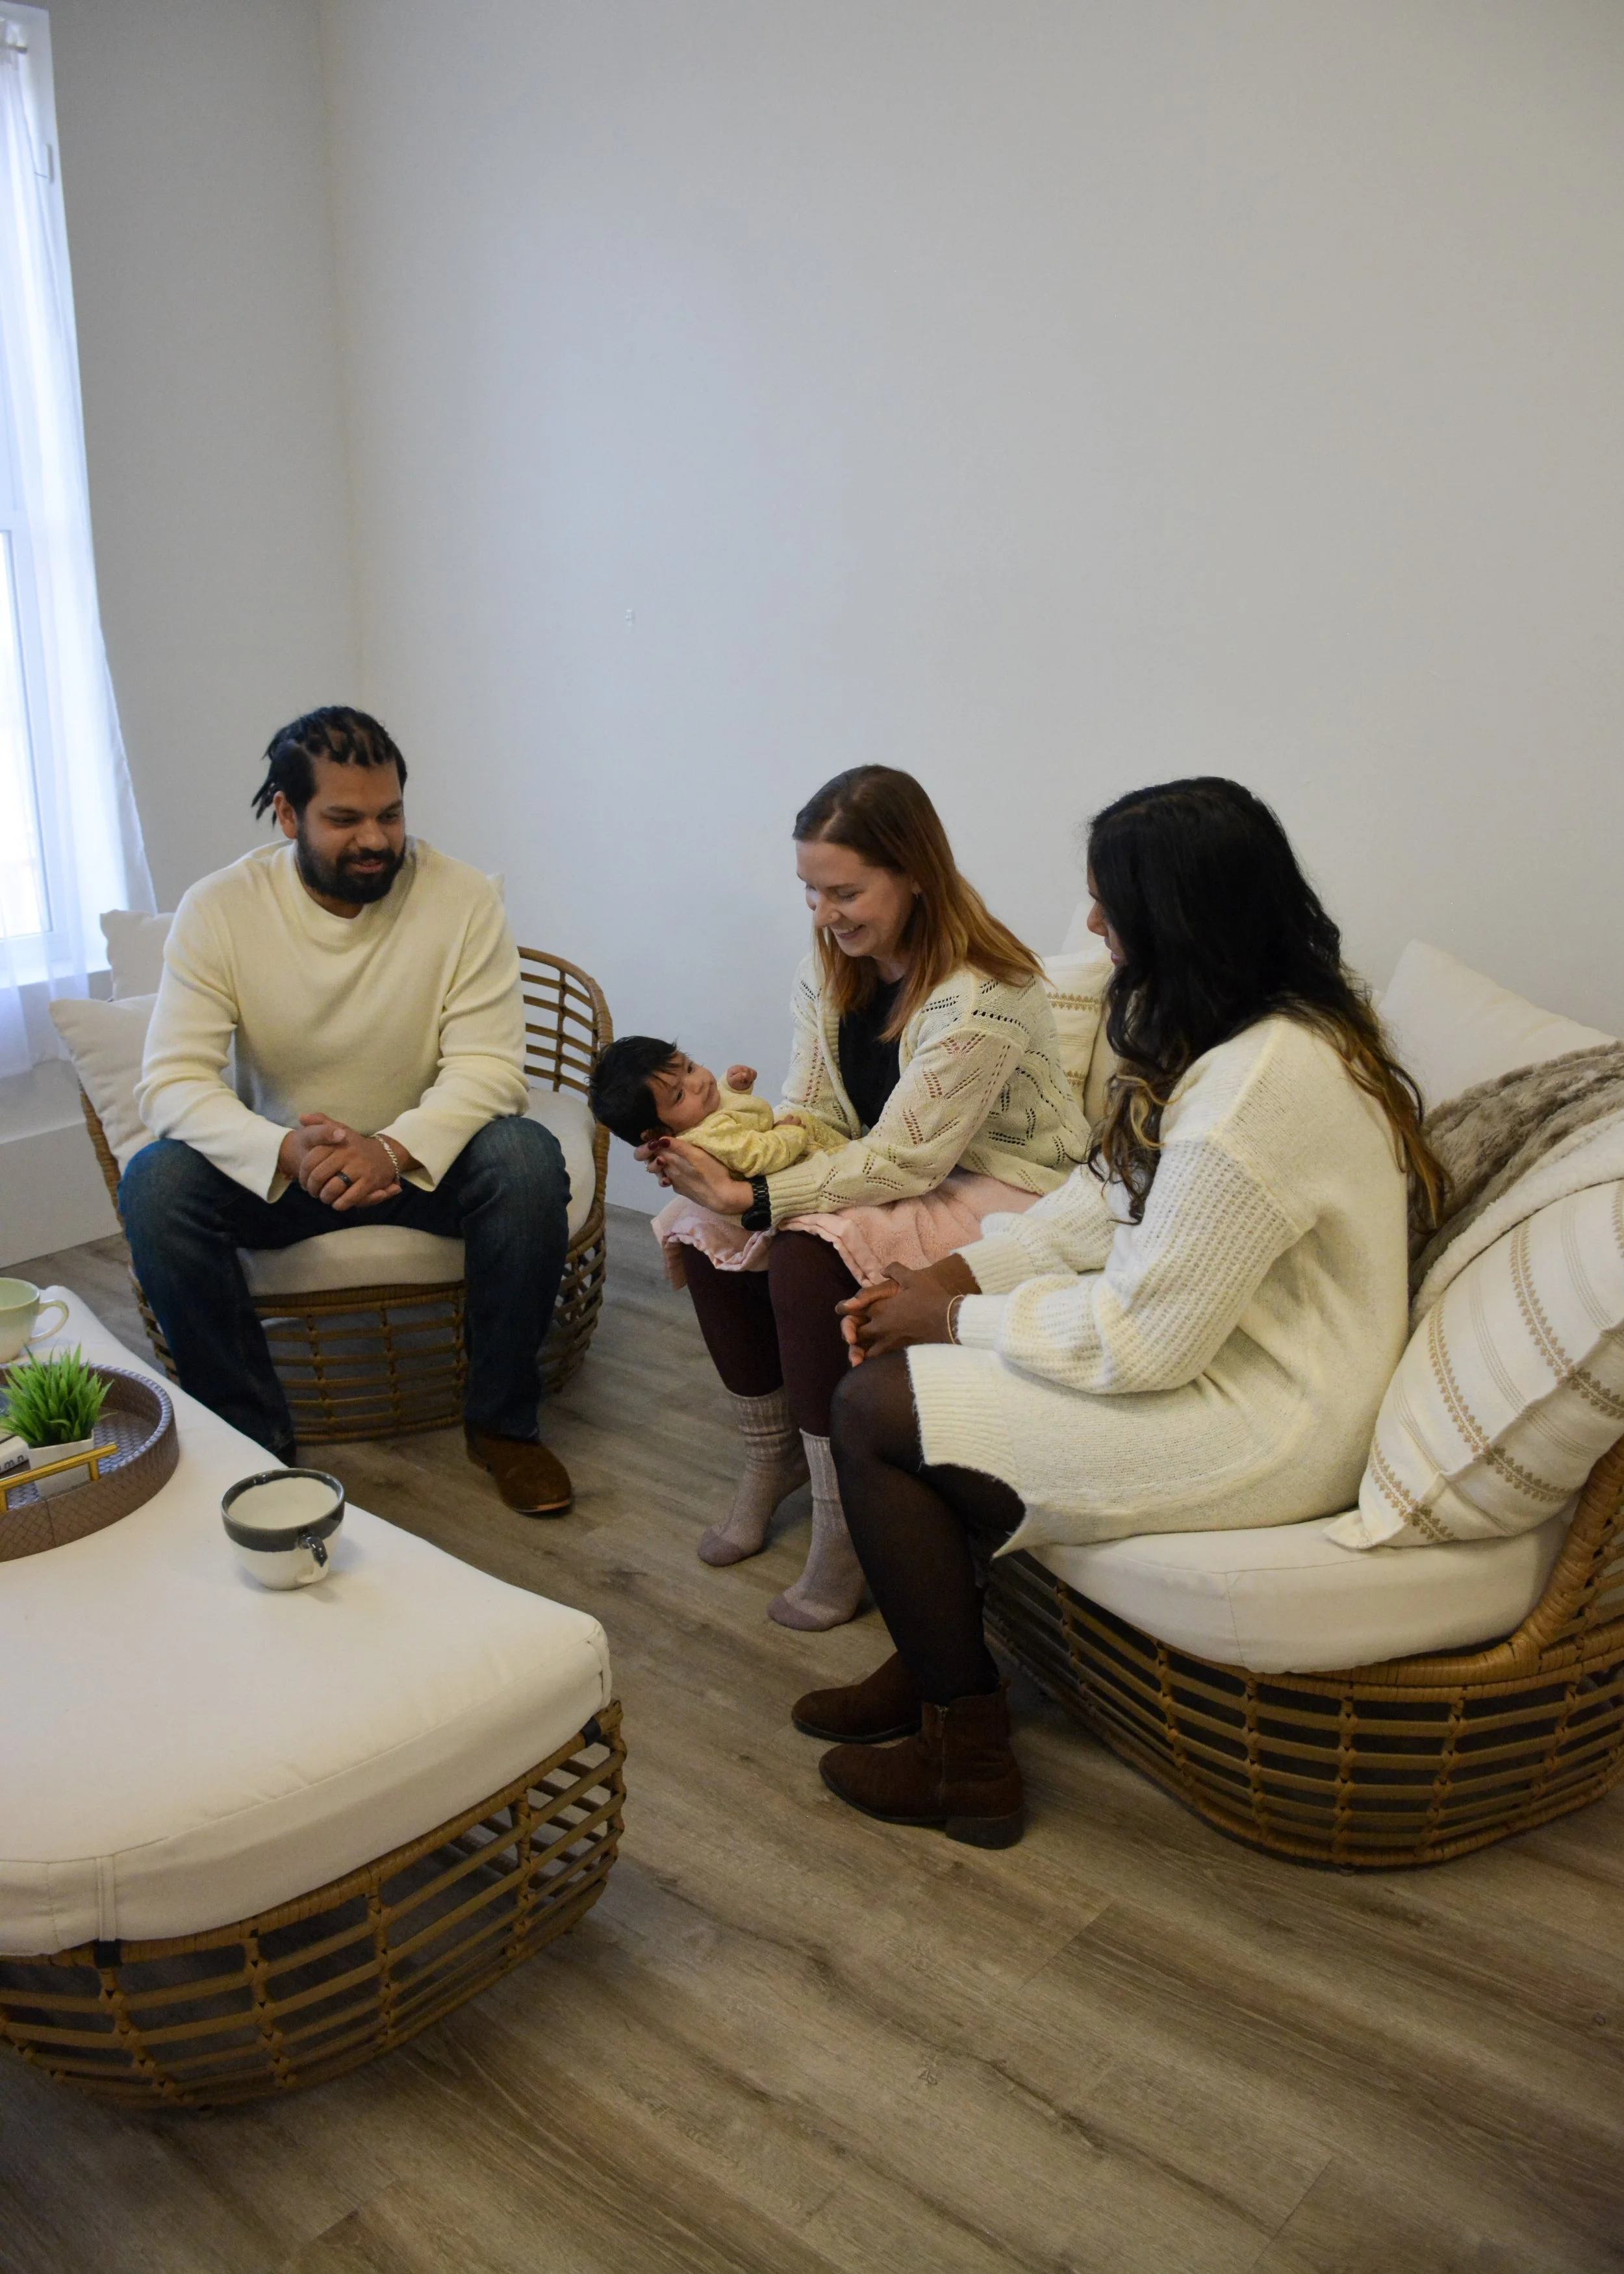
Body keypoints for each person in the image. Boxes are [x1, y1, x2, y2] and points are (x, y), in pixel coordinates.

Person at [792, 776, 1445, 1847]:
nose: (1090, 925)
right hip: (1223, 1366)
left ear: (1177, 916)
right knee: (900, 1386)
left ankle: (969, 1762)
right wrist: (957, 1278)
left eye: (1108, 904)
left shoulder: (1261, 1086)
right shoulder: (1243, 1026)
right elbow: (1107, 1194)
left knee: (874, 1409)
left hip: (1274, 1423)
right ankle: (929, 1663)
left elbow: (1144, 1341)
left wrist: (949, 1323)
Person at [646, 766, 1089, 1627]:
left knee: (805, 1248)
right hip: (891, 1166)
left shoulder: (985, 990)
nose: (824, 914)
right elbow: (810, 1113)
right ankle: (770, 1458)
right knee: (696, 1217)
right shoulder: (831, 965)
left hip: (1007, 1186)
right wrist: (716, 1164)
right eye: (811, 892)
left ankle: (844, 1529)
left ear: (914, 870)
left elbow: (908, 1163)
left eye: (845, 892)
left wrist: (761, 1195)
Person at [121, 706, 575, 1516]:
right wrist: (286, 1153)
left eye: (390, 814)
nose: (375, 838)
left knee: (527, 1159)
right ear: (287, 814)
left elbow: (491, 1068)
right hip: (289, 1170)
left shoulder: (462, 898)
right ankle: (250, 1439)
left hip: (419, 1165)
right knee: (157, 1185)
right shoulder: (219, 908)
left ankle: (504, 1426)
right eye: (344, 818)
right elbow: (171, 1083)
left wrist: (391, 1150)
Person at [589, 1038, 847, 1174]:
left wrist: (734, 1087)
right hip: (800, 1165)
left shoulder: (701, 1117)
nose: (698, 1083)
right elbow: (759, 1156)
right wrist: (788, 1133)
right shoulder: (708, 1138)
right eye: (679, 1095)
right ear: (658, 1134)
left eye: (689, 1067)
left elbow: (727, 1110)